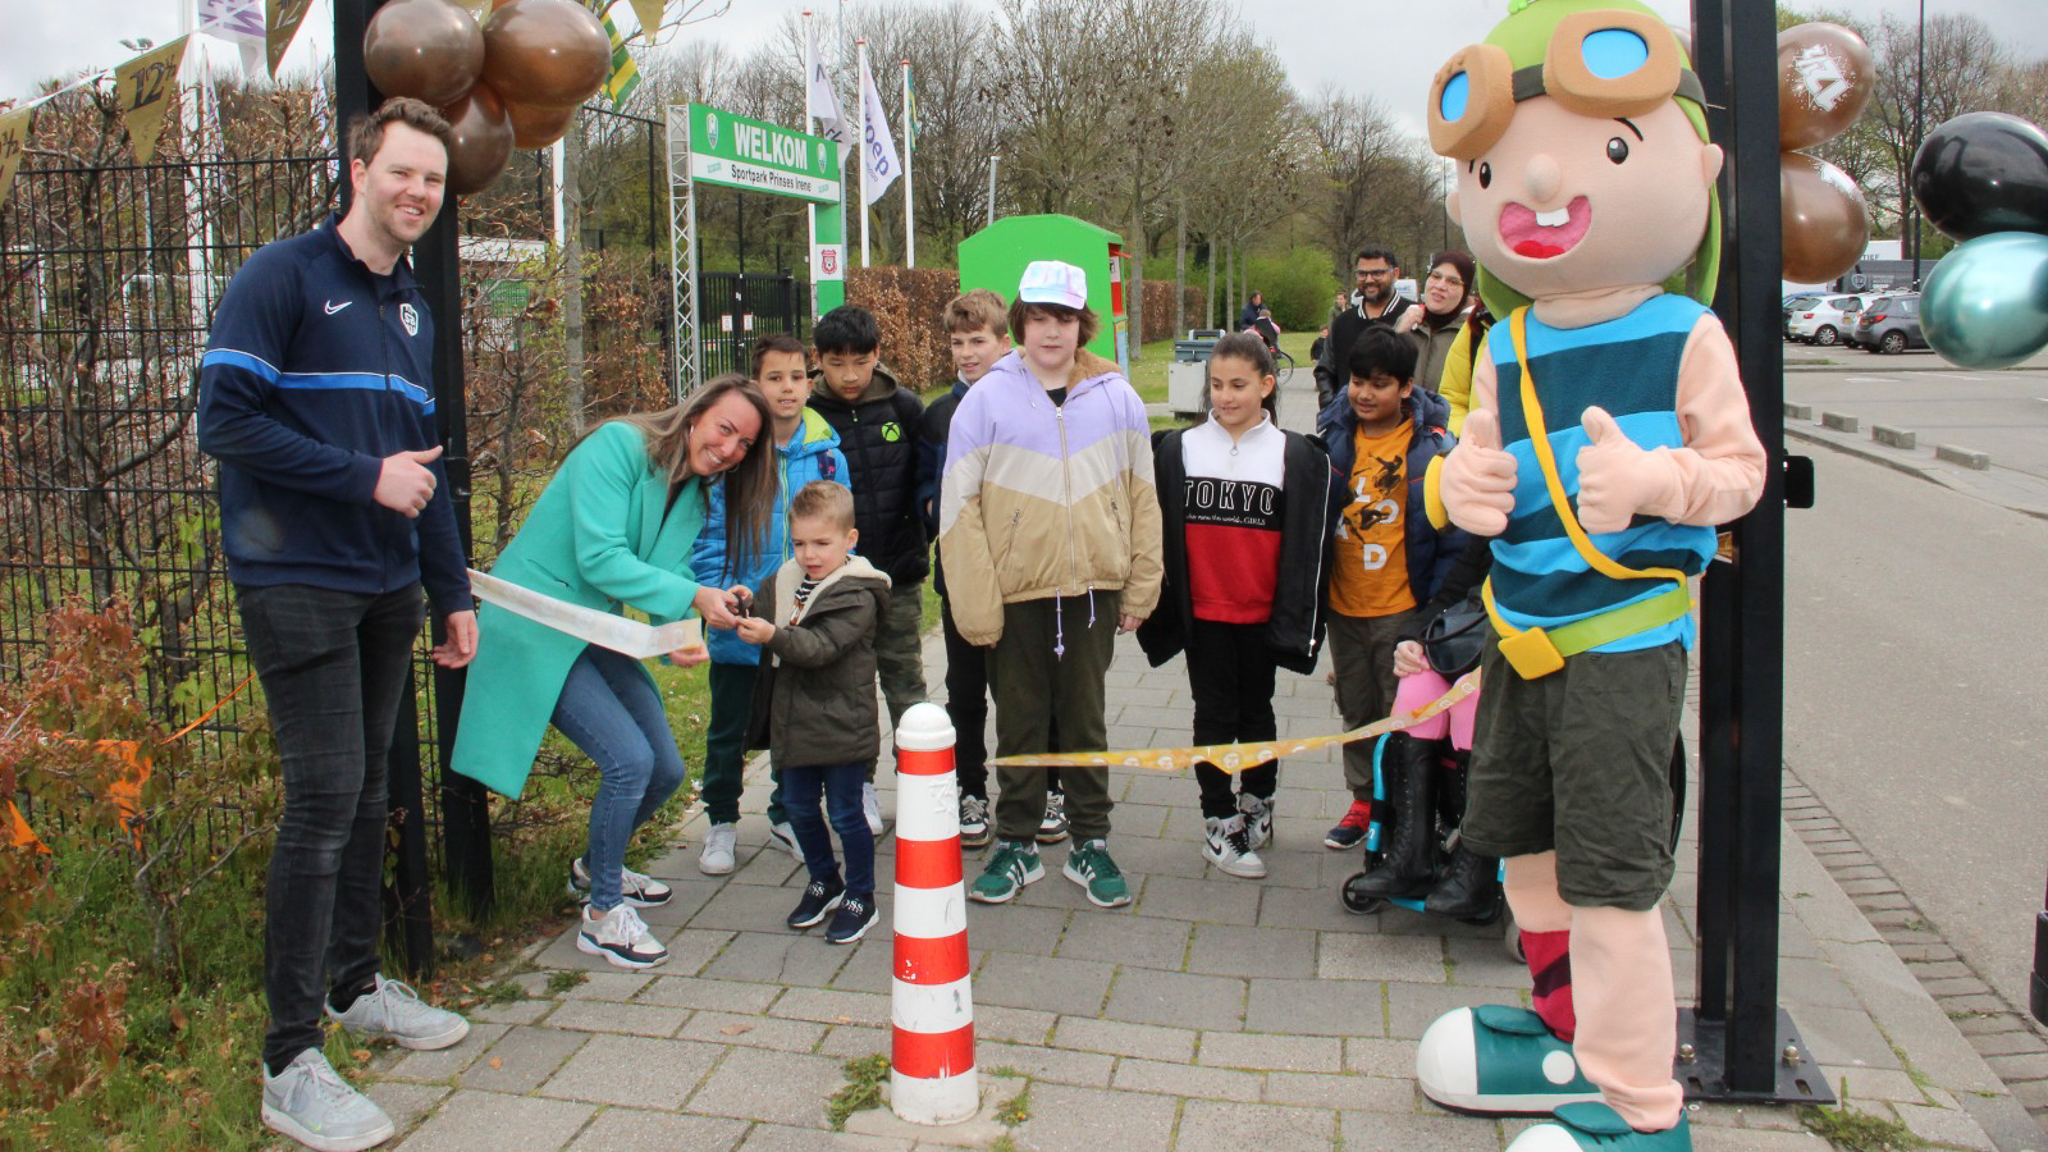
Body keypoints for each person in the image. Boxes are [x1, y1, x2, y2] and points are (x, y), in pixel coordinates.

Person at [1416, 3, 1768, 1147]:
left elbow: (1738, 473)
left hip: (1621, 640)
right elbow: (1471, 467)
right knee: (1522, 851)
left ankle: (1639, 1102)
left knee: (1612, 876)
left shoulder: (1683, 333)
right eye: (1494, 169)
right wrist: (1454, 494)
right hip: (1517, 634)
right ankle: (1563, 1032)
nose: (1540, 188)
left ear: (1692, 168)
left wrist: (1663, 483)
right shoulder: (1505, 342)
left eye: (1609, 150)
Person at [197, 96, 478, 1152]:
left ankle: (357, 987)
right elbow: (224, 422)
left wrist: (450, 594)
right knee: (320, 800)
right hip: (296, 579)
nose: (417, 193)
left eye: (433, 183)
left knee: (368, 796)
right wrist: (363, 478)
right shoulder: (282, 278)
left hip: (385, 588)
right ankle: (287, 1059)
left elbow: (427, 476)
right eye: (402, 173)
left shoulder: (413, 308)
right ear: (358, 169)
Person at [452, 375, 774, 970]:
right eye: (725, 429)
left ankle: (596, 866)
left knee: (667, 768)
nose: (730, 450)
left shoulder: (697, 491)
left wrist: (688, 623)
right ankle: (601, 916)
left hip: (591, 627)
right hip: (537, 623)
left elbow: (665, 573)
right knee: (630, 762)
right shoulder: (617, 447)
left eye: (745, 445)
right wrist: (693, 597)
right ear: (697, 412)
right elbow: (599, 558)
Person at [941, 260, 1163, 909]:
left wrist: (1142, 586)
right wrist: (975, 602)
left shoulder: (1118, 397)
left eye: (1063, 318)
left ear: (1081, 324)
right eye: (1038, 317)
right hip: (1016, 596)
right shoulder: (986, 398)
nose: (1051, 331)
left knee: (1086, 721)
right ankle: (1015, 844)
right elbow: (956, 509)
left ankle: (1091, 842)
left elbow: (1143, 497)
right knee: (1020, 721)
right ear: (1020, 323)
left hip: (1094, 590)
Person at [1138, 333, 1338, 879]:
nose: (1224, 397)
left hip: (1262, 613)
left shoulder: (1293, 454)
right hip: (1202, 614)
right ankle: (1218, 821)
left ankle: (1258, 804)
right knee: (1213, 712)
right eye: (1217, 385)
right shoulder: (1177, 450)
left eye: (1238, 385)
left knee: (1258, 713)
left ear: (1267, 386)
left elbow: (1310, 547)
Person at [916, 290, 1073, 847]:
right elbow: (926, 497)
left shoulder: (1034, 403)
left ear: (1005, 343)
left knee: (1030, 692)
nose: (966, 352)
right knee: (964, 691)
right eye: (956, 343)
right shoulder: (939, 414)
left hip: (1024, 579)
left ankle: (1045, 786)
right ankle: (970, 790)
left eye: (977, 341)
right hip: (961, 581)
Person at [692, 334, 848, 873]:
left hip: (798, 623)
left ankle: (787, 814)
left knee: (792, 726)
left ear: (811, 382)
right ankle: (721, 820)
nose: (787, 388)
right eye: (774, 378)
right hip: (739, 617)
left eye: (797, 377)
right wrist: (717, 594)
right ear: (755, 385)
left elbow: (843, 531)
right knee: (729, 727)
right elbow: (708, 533)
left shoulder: (828, 455)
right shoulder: (736, 456)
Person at [1315, 327, 1466, 853]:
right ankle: (1362, 800)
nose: (1364, 394)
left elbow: (1452, 538)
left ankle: (1405, 808)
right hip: (1343, 604)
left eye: (1379, 384)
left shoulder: (1433, 449)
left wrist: (1435, 609)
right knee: (1355, 708)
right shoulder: (1334, 437)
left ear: (1404, 388)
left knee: (1401, 714)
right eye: (1357, 382)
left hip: (1402, 607)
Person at [738, 480, 892, 945]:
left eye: (822, 543)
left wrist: (772, 637)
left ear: (850, 540)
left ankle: (860, 896)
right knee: (800, 808)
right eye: (800, 543)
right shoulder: (788, 579)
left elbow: (821, 646)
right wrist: (743, 602)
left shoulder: (857, 593)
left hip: (841, 725)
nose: (809, 554)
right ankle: (825, 879)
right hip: (794, 725)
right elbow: (767, 607)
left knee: (847, 815)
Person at [808, 305, 929, 834]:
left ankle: (922, 784)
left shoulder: (905, 407)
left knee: (905, 683)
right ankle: (858, 789)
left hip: (899, 575)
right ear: (820, 362)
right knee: (849, 693)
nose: (851, 375)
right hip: (836, 584)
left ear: (878, 355)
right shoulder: (809, 415)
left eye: (861, 361)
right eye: (838, 363)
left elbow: (926, 481)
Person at [1315, 247, 1414, 409]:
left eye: (1377, 273)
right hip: (1348, 426)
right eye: (1362, 274)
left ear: (1395, 274)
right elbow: (1325, 370)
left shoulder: (1414, 317)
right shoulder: (1343, 322)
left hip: (1402, 424)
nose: (1369, 280)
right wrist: (1331, 407)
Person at [1395, 251, 1477, 398]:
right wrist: (1397, 334)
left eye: (1452, 282)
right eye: (1436, 276)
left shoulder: (1473, 333)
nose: (1440, 286)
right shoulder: (1408, 323)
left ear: (1465, 291)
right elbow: (1377, 376)